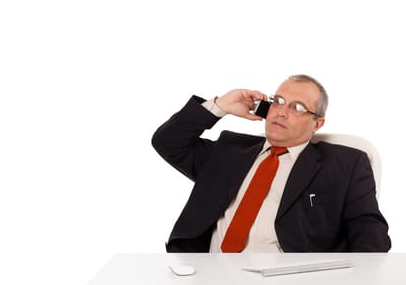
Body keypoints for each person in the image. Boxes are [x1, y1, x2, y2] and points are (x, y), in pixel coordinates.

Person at [151, 74, 391, 253]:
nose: (281, 112)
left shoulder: (344, 165)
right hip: (209, 275)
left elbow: (369, 231)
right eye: (278, 101)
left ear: (317, 124)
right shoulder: (229, 151)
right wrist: (220, 105)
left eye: (297, 107)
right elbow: (167, 142)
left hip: (289, 282)